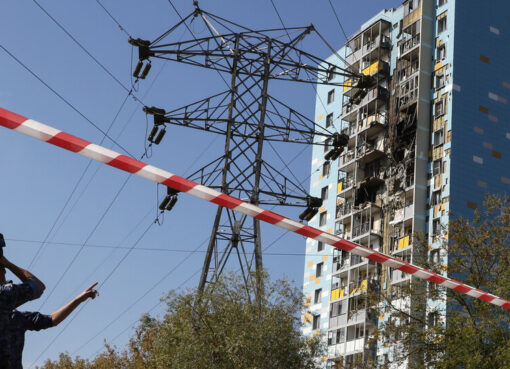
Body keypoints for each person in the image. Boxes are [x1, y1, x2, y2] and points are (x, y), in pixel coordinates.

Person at [0, 256, 99, 369]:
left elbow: (52, 319)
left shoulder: (15, 317)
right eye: (2, 269)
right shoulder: (4, 296)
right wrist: (8, 263)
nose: (4, 272)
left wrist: (78, 300)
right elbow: (38, 286)